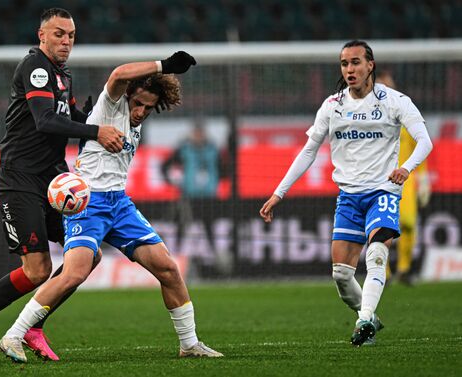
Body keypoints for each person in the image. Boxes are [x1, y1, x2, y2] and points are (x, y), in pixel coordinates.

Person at [0, 51, 223, 362]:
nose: (141, 111)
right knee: (74, 274)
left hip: (120, 204)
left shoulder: (136, 121)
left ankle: (189, 343)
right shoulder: (112, 104)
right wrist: (164, 67)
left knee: (169, 269)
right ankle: (13, 335)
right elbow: (118, 75)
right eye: (138, 103)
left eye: (148, 107)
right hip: (89, 202)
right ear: (128, 96)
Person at [0, 8, 124, 364]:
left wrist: (102, 117)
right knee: (37, 270)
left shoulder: (62, 75)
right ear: (41, 35)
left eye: (71, 36)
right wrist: (96, 131)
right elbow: (46, 121)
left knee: (88, 255)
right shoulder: (35, 68)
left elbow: (72, 116)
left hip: (55, 182)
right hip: (20, 180)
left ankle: (34, 325)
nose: (66, 41)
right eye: (59, 34)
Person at [259, 40, 433, 346]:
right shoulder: (332, 106)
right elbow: (308, 152)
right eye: (344, 64)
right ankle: (370, 319)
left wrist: (405, 168)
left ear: (370, 65)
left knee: (378, 251)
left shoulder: (394, 101)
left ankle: (364, 319)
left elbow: (424, 141)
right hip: (349, 197)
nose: (349, 69)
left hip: (384, 190)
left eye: (355, 62)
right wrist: (278, 193)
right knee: (341, 275)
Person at [375, 71, 432, 286]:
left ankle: (405, 269)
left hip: (406, 179)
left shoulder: (406, 112)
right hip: (380, 179)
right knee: (382, 227)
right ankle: (384, 272)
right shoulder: (369, 117)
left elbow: (421, 145)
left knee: (407, 223)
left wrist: (424, 179)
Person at [160, 122, 222, 263]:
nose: (199, 136)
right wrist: (173, 182)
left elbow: (222, 168)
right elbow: (165, 165)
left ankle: (214, 257)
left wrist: (215, 183)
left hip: (208, 197)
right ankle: (174, 256)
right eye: (196, 133)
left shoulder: (213, 149)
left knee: (209, 227)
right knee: (182, 225)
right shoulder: (184, 149)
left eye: (201, 133)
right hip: (189, 196)